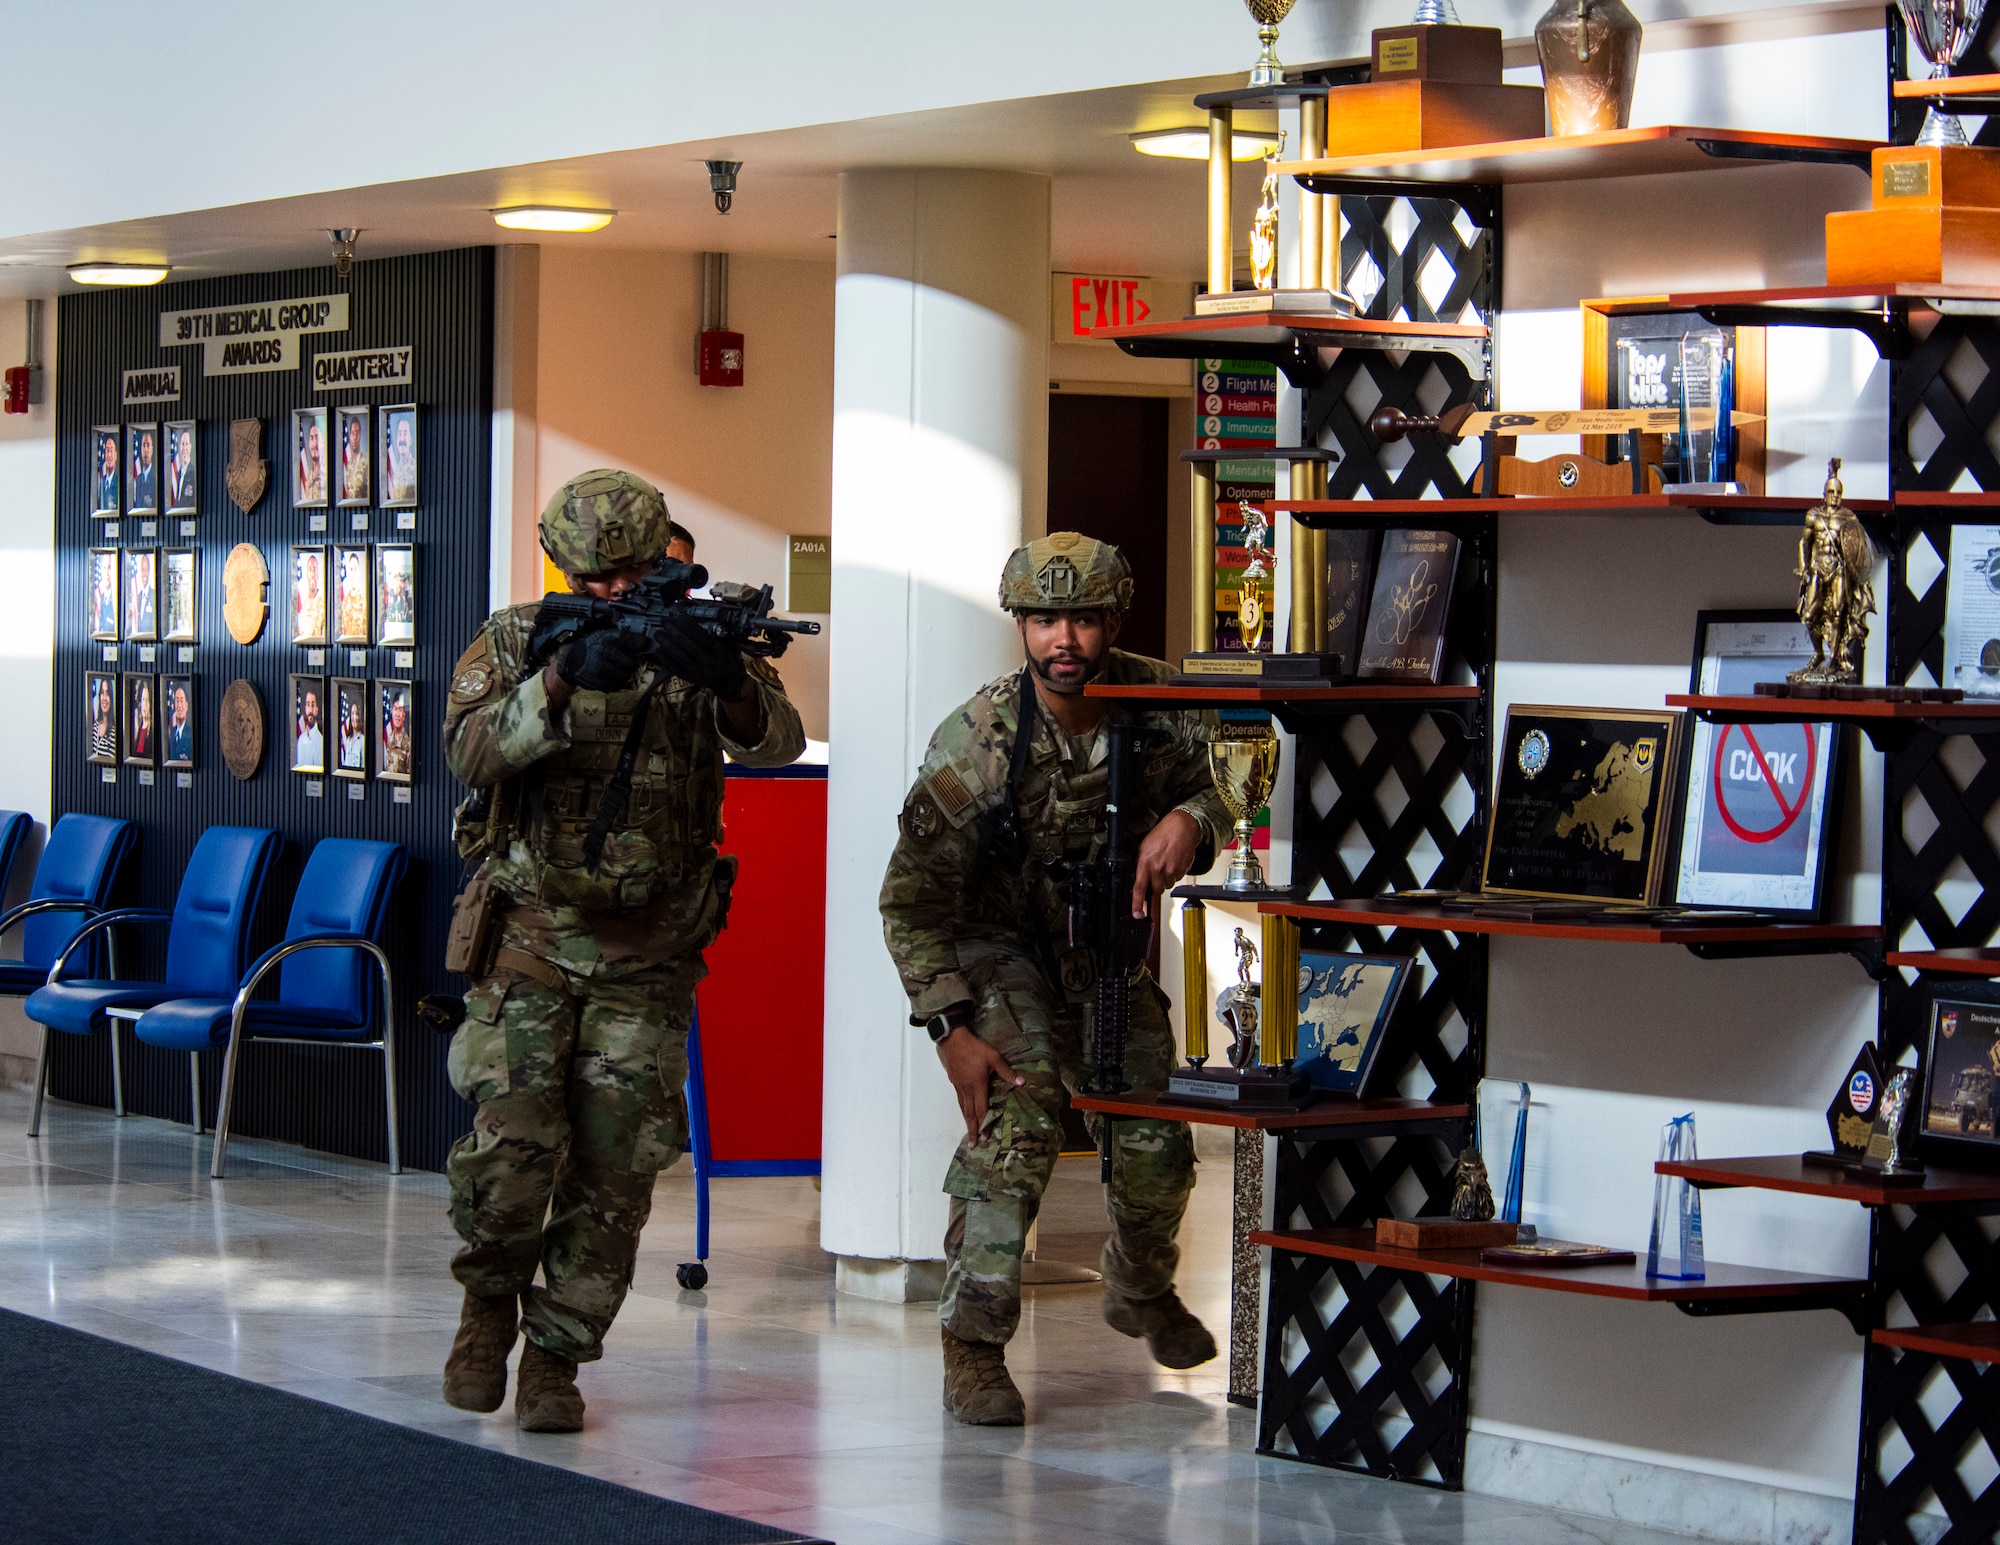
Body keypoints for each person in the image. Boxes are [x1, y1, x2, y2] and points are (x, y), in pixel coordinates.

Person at [440, 468, 803, 1433]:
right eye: (591, 578)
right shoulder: (519, 638)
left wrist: (726, 678)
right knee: (512, 1148)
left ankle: (557, 1356)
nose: (610, 593)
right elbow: (467, 754)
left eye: (630, 576)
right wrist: (558, 682)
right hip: (530, 937)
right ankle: (486, 1313)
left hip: (648, 951)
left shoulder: (700, 634)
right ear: (562, 568)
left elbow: (777, 743)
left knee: (615, 1171)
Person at [880, 532, 1232, 1427]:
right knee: (1021, 1120)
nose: (1062, 640)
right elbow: (909, 902)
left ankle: (1138, 1284)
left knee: (1155, 1142)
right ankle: (974, 1345)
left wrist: (1194, 818)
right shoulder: (977, 743)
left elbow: (1230, 780)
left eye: (1081, 618)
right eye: (1042, 619)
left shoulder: (1161, 702)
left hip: (1104, 949)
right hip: (996, 948)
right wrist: (950, 1029)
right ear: (1020, 626)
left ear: (1114, 621)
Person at [385, 414, 416, 503]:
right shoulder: (393, 470)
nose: (402, 438)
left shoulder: (415, 469)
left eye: (405, 433)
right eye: (400, 434)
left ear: (410, 439)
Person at [380, 690, 411, 776]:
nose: (397, 714)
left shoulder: (408, 743)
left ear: (404, 715)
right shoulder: (387, 738)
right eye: (395, 709)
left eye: (400, 710)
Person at [341, 415, 369, 502]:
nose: (355, 436)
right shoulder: (345, 464)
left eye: (357, 433)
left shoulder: (366, 463)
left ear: (360, 435)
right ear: (349, 435)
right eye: (352, 433)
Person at [294, 687, 322, 770]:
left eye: (313, 705)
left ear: (316, 709)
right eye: (308, 704)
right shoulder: (301, 740)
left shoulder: (320, 741)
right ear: (305, 708)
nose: (310, 710)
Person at [299, 418, 325, 504]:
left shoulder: (327, 474)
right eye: (311, 438)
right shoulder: (308, 476)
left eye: (317, 437)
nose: (314, 443)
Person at [88, 678, 115, 762]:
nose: (104, 698)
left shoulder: (114, 732)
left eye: (107, 694)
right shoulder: (94, 727)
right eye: (102, 693)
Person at [168, 426, 195, 509]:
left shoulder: (193, 473)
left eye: (186, 444)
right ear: (179, 446)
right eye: (182, 444)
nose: (184, 448)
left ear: (190, 447)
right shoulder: (177, 474)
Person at [166, 683, 192, 764]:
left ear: (186, 706)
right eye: (177, 701)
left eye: (181, 700)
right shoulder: (171, 733)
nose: (179, 705)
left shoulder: (190, 733)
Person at [130, 428, 157, 511]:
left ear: (152, 449)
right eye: (143, 445)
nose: (146, 450)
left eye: (148, 445)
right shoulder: (138, 479)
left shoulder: (156, 477)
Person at [97, 434, 120, 513]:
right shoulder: (101, 482)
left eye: (111, 450)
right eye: (107, 450)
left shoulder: (119, 482)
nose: (109, 455)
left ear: (116, 455)